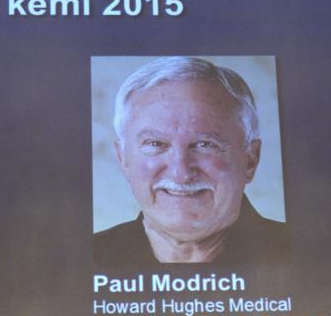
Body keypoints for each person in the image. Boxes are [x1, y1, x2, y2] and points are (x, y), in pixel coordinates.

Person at [94, 57, 288, 264]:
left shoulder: (307, 255)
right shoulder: (83, 260)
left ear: (251, 160)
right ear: (123, 158)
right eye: (156, 144)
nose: (181, 173)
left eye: (205, 145)